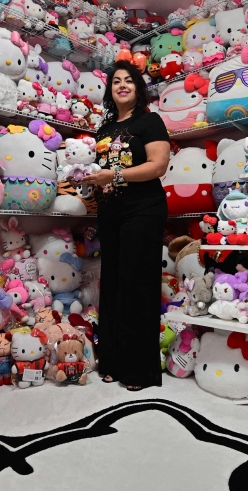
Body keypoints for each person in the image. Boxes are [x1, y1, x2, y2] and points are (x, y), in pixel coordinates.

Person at [82, 60, 170, 391]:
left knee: (137, 286)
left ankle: (139, 371)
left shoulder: (149, 121)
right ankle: (113, 362)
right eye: (116, 81)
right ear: (110, 90)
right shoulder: (103, 130)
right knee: (114, 285)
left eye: (129, 81)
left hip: (143, 210)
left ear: (137, 88)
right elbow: (101, 173)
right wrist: (86, 178)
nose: (122, 85)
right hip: (111, 212)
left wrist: (114, 175)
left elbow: (158, 165)